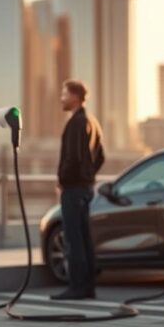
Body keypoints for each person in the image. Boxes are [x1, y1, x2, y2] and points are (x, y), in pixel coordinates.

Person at [51, 79, 106, 301]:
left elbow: (72, 158)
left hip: (73, 189)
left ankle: (76, 288)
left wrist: (63, 181)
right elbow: (101, 156)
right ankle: (88, 287)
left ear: (74, 96)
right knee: (84, 238)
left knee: (74, 239)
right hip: (86, 188)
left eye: (64, 94)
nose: (62, 98)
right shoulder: (92, 122)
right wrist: (89, 176)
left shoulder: (76, 122)